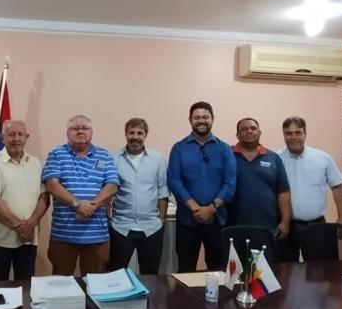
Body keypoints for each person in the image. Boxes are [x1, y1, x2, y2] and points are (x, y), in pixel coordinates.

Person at [42, 115, 119, 275]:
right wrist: (77, 205)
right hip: (63, 235)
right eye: (75, 128)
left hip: (97, 236)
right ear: (67, 133)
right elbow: (52, 185)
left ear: (91, 132)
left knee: (95, 284)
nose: (80, 131)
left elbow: (112, 186)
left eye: (84, 128)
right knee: (62, 283)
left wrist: (91, 206)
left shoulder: (104, 156)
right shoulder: (56, 154)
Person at [167, 101, 237, 272]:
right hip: (187, 220)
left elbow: (230, 183)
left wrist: (211, 208)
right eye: (197, 117)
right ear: (190, 120)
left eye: (205, 117)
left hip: (217, 219)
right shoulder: (179, 148)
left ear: (212, 119)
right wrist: (197, 209)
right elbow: (174, 181)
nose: (201, 121)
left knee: (218, 269)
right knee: (185, 269)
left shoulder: (224, 149)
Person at [0, 120, 50, 281]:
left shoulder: (35, 163)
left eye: (20, 134)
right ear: (2, 138)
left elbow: (44, 197)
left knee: (26, 286)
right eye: (11, 134)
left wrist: (30, 225)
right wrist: (20, 226)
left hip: (28, 239)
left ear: (26, 137)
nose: (16, 138)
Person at [278, 116, 342, 261]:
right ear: (283, 135)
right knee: (285, 269)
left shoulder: (323, 158)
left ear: (305, 133)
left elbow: (338, 187)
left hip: (316, 226)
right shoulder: (275, 159)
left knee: (320, 270)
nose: (293, 137)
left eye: (298, 133)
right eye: (288, 133)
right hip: (285, 226)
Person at [108, 118, 169, 274]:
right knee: (116, 274)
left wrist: (161, 220)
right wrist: (108, 217)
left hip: (151, 227)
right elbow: (107, 189)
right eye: (132, 133)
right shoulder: (113, 159)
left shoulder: (157, 159)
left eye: (140, 133)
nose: (135, 137)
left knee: (150, 274)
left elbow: (162, 190)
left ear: (145, 135)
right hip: (121, 226)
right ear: (126, 134)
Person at [228, 118, 291, 257]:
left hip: (267, 227)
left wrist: (285, 221)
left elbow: (284, 191)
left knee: (265, 267)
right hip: (233, 227)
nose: (249, 131)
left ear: (259, 132)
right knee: (237, 267)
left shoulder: (273, 158)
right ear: (237, 135)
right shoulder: (228, 155)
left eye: (253, 128)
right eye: (244, 129)